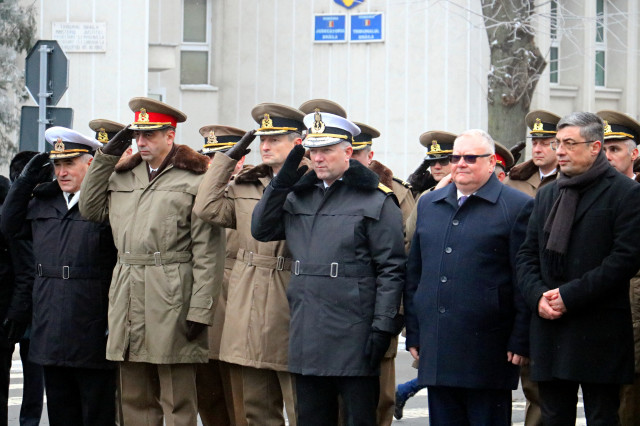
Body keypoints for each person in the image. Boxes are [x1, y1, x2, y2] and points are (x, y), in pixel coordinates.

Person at [251, 110, 406, 425]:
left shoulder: (375, 199)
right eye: (313, 150)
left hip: (355, 330)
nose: (318, 158)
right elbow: (262, 229)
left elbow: (391, 269)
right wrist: (284, 179)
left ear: (348, 152)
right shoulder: (299, 195)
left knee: (358, 418)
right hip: (308, 328)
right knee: (311, 417)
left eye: (327, 150)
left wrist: (383, 326)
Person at [78, 97, 225, 426]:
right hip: (128, 291)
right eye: (137, 135)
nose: (141, 141)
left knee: (177, 397)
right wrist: (107, 156)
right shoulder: (123, 177)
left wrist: (201, 310)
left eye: (150, 134)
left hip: (171, 292)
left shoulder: (194, 179)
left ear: (170, 136)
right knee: (134, 397)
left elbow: (208, 253)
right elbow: (89, 208)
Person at [516, 112, 640, 425]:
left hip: (599, 330)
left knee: (602, 417)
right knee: (553, 416)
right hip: (550, 328)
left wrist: (569, 296)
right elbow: (527, 255)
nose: (559, 151)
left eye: (569, 144)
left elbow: (624, 259)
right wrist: (538, 296)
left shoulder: (625, 193)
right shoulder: (548, 194)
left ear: (595, 147)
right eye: (558, 143)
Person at [405, 129, 533, 426]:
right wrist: (414, 331)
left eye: (471, 158)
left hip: (489, 349)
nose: (460, 163)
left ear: (491, 163)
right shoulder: (429, 204)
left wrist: (521, 337)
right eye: (455, 157)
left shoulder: (517, 206)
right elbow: (415, 274)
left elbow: (523, 279)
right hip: (438, 345)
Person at [193, 103, 306, 426]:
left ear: (297, 143)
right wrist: (227, 159)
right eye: (262, 140)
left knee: (301, 406)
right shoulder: (245, 184)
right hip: (248, 301)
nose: (265, 146)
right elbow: (206, 208)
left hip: (289, 294)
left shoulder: (310, 182)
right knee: (255, 409)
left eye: (274, 140)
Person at [1, 127, 117, 426]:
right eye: (57, 165)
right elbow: (8, 225)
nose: (62, 172)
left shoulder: (108, 202)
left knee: (97, 413)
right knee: (61, 412)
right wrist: (25, 181)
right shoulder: (44, 201)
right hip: (51, 323)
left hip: (92, 323)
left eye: (69, 164)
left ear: (90, 164)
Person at [349, 121, 414, 426]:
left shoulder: (395, 192)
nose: (351, 161)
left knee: (380, 401)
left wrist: (394, 315)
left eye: (357, 154)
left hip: (379, 307)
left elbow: (405, 255)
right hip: (337, 313)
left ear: (370, 155)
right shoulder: (324, 190)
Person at [195, 124, 249, 426]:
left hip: (237, 300)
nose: (213, 164)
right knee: (208, 396)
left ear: (240, 159)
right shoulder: (199, 190)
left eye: (221, 157)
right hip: (203, 302)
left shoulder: (250, 190)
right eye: (209, 157)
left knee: (240, 398)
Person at [598, 110, 640, 425]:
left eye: (615, 149)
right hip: (598, 324)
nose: (608, 156)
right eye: (603, 149)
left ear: (634, 154)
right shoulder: (586, 196)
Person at [2, 152, 46, 426]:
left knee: (33, 374)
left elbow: (26, 270)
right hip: (26, 307)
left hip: (22, 307)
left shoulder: (17, 213)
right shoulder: (16, 211)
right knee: (33, 376)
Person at [504, 110, 560, 198]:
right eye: (534, 143)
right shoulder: (515, 178)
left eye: (544, 144)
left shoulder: (569, 180)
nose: (537, 150)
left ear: (559, 145)